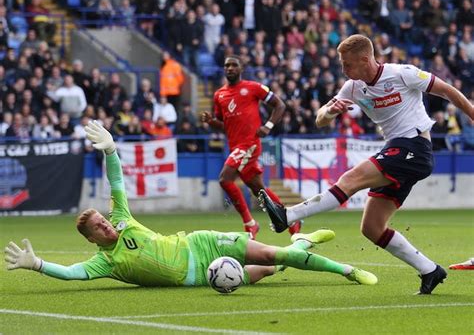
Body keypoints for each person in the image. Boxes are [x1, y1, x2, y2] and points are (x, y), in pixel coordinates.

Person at [4, 121, 378, 288]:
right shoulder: (104, 263)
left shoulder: (122, 218)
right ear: (92, 239)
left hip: (201, 243)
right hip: (199, 277)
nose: (106, 225)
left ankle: (346, 271)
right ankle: (303, 242)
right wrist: (37, 265)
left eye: (102, 219)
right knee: (269, 271)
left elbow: (116, 182)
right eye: (98, 228)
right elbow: (71, 274)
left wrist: (113, 150)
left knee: (273, 257)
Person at [259, 34, 474, 295]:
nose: (343, 70)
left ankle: (288, 215)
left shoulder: (402, 73)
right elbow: (319, 120)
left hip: (415, 146)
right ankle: (430, 270)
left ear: (364, 60)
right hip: (396, 151)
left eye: (347, 64)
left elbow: (447, 91)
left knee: (351, 179)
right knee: (371, 228)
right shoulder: (352, 87)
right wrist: (330, 111)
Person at [201, 55, 301, 240]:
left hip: (250, 143)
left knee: (224, 179)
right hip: (235, 146)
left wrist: (268, 126)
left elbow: (279, 104)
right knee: (258, 188)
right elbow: (225, 126)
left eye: (233, 65)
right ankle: (292, 220)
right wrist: (211, 121)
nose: (229, 68)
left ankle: (250, 224)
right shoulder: (219, 95)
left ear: (241, 68)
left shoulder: (253, 87)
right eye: (226, 65)